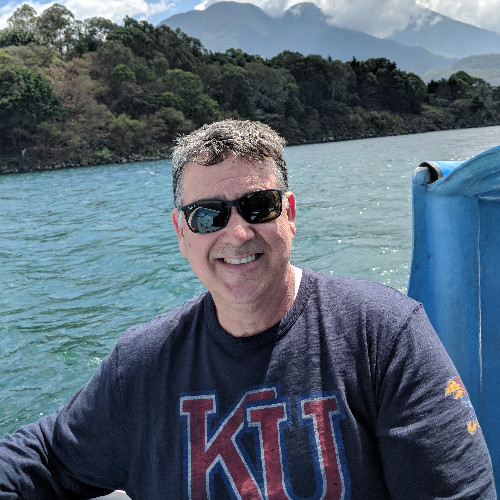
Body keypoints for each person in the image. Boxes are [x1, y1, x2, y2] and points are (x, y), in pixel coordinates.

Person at [0, 119, 496, 499]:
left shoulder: (383, 335)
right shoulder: (142, 366)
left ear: (290, 215)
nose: (237, 234)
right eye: (208, 214)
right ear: (181, 232)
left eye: (258, 206)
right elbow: (44, 461)